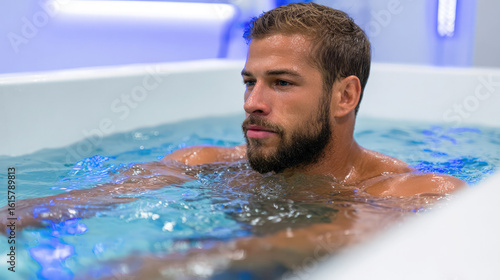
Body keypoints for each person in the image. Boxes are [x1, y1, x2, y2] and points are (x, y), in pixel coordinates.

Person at [2, 2, 464, 278]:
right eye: (249, 81)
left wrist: (185, 264)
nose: (253, 103)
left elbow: (354, 235)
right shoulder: (203, 161)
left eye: (281, 83)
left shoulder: (418, 191)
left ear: (345, 96)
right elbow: (88, 200)